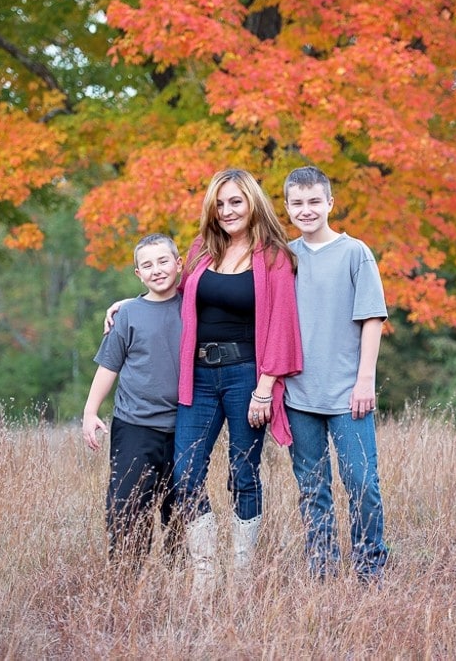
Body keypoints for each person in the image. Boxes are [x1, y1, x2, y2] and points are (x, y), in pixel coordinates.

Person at [173, 168, 302, 596]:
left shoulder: (274, 257)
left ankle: (242, 576)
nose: (227, 210)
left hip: (247, 376)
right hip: (198, 376)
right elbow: (170, 292)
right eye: (221, 203)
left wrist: (264, 389)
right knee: (186, 474)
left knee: (242, 474)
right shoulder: (201, 251)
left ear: (252, 204)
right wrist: (123, 303)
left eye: (236, 202)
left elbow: (282, 324)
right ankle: (206, 576)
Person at [282, 165, 389, 583]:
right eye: (297, 203)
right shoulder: (283, 257)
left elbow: (372, 319)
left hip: (348, 393)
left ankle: (369, 571)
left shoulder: (355, 252)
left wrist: (365, 380)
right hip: (299, 395)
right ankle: (322, 572)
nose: (306, 210)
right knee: (313, 490)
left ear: (330, 203)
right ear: (287, 207)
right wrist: (131, 303)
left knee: (362, 483)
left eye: (314, 201)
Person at [82, 233, 183, 571]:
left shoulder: (193, 306)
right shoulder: (128, 315)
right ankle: (126, 581)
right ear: (138, 274)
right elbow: (109, 365)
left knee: (181, 508)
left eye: (163, 261)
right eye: (147, 265)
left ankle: (178, 579)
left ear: (179, 263)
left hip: (185, 426)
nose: (156, 270)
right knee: (128, 507)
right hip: (135, 425)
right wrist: (90, 411)